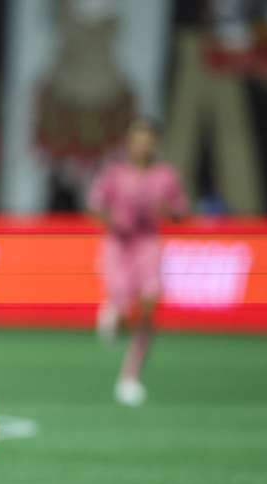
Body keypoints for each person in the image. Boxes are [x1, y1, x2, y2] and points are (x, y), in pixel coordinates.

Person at [89, 117, 188, 406]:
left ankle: (129, 376)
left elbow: (181, 211)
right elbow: (95, 205)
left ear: (154, 143)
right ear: (129, 143)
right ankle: (113, 315)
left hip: (148, 244)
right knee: (122, 309)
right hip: (119, 246)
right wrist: (113, 219)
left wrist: (168, 210)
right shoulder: (115, 173)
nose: (142, 145)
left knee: (149, 302)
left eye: (147, 140)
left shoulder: (165, 175)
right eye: (137, 139)